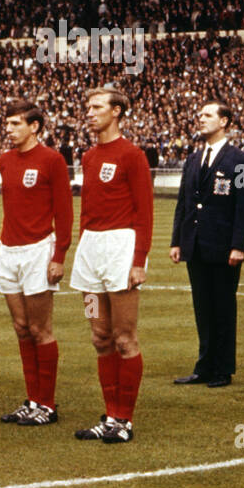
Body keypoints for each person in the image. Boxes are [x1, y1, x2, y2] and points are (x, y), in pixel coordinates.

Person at [71, 88, 153, 444]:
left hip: (120, 250)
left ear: (116, 111)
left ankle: (125, 420)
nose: (89, 112)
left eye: (96, 107)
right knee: (99, 336)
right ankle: (109, 416)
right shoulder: (89, 156)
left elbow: (145, 212)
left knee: (124, 337)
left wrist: (138, 261)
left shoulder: (132, 155)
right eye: (87, 107)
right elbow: (88, 209)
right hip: (90, 253)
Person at [0, 100, 73, 426]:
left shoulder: (52, 160)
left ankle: (48, 404)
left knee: (41, 329)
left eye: (16, 124)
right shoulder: (5, 160)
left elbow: (64, 212)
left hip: (38, 250)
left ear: (35, 126)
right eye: (8, 124)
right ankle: (31, 400)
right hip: (7, 250)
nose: (9, 130)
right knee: (21, 329)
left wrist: (59, 256)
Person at [170, 100, 244, 389]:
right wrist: (177, 241)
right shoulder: (194, 159)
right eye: (199, 114)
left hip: (223, 247)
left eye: (207, 114)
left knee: (222, 307)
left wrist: (238, 245)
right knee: (202, 307)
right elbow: (183, 202)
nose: (200, 118)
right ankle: (204, 366)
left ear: (224, 121)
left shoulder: (241, 161)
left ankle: (223, 368)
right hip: (195, 244)